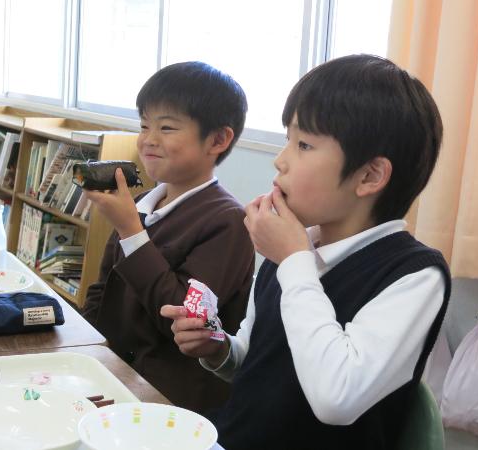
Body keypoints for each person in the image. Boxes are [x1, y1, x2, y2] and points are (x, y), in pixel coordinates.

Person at [161, 54, 452, 450]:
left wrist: (294, 261)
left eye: (304, 144)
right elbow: (259, 362)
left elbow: (336, 397)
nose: (280, 161)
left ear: (369, 176)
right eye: (287, 140)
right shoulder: (295, 247)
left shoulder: (415, 275)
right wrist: (218, 348)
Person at [81, 61, 255, 413]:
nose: (148, 140)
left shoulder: (229, 221)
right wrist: (84, 348)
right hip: (113, 371)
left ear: (218, 139)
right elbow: (104, 289)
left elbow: (180, 319)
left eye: (167, 128)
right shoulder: (145, 202)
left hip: (169, 397)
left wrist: (131, 231)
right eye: (144, 125)